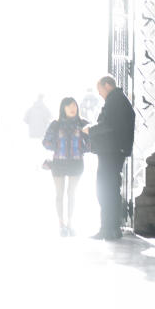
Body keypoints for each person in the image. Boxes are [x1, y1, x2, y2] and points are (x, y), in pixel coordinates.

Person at [83, 75, 134, 241]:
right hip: (115, 151)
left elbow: (109, 125)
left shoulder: (115, 100)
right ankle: (112, 229)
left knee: (105, 190)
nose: (100, 94)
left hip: (111, 152)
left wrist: (91, 129)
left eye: (100, 90)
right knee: (111, 189)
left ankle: (107, 229)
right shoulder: (118, 99)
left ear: (107, 85)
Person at [42, 97, 90, 236]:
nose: (72, 108)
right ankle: (61, 224)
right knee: (59, 194)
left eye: (74, 105)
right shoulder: (55, 125)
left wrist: (82, 148)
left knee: (72, 194)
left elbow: (91, 142)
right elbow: (45, 142)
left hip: (76, 163)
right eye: (69, 106)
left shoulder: (83, 124)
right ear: (63, 108)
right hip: (59, 163)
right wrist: (57, 146)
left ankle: (70, 224)